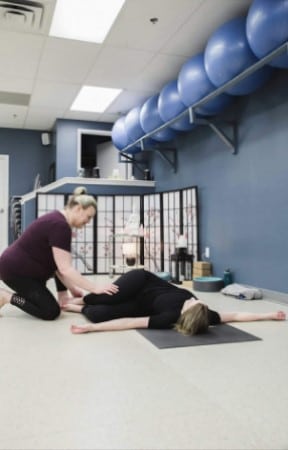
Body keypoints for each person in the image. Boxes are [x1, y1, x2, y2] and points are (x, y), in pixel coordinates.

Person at [0, 187, 118, 321]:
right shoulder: (60, 226)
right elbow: (65, 268)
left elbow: (57, 265)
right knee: (50, 311)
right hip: (15, 272)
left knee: (40, 301)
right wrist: (95, 288)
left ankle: (18, 296)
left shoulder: (58, 220)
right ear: (79, 208)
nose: (88, 222)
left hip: (27, 272)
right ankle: (6, 296)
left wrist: (69, 291)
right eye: (88, 217)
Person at [62, 269, 286, 335]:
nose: (195, 300)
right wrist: (269, 315)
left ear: (187, 313)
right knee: (107, 295)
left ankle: (76, 308)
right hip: (141, 281)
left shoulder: (169, 317)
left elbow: (129, 322)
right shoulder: (206, 314)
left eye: (194, 303)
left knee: (99, 313)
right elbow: (237, 316)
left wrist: (91, 327)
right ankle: (82, 298)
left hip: (140, 304)